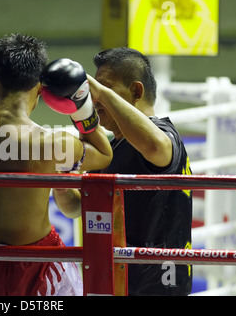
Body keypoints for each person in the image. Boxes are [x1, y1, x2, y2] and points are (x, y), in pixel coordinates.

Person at [0, 34, 113, 296]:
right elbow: (104, 154)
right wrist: (80, 106)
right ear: (41, 89)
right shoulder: (52, 142)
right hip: (43, 267)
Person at [53, 47, 193, 296]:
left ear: (136, 91)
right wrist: (62, 185)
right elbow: (77, 208)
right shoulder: (112, 147)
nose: (95, 100)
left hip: (159, 282)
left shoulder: (164, 134)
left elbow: (156, 146)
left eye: (105, 88)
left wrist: (99, 91)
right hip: (118, 277)